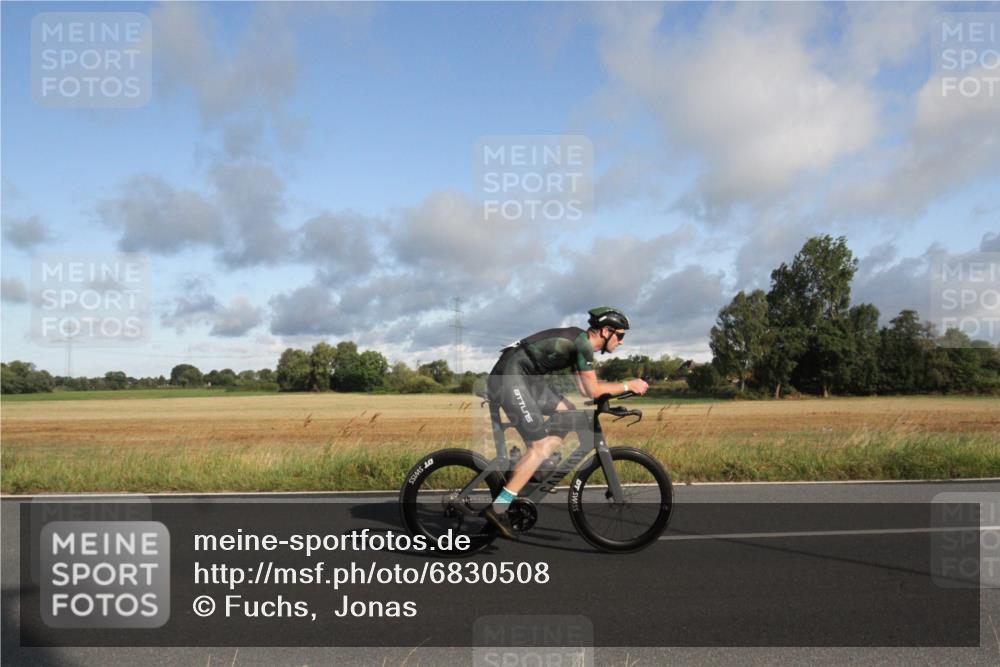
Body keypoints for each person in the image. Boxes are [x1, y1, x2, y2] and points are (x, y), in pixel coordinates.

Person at [482, 307, 649, 538]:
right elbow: (592, 390)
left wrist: (611, 396)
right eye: (620, 336)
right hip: (510, 377)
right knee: (538, 447)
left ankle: (535, 469)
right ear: (605, 331)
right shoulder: (581, 343)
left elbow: (585, 391)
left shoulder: (580, 344)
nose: (621, 342)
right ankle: (499, 507)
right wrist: (628, 385)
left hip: (524, 377)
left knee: (568, 413)